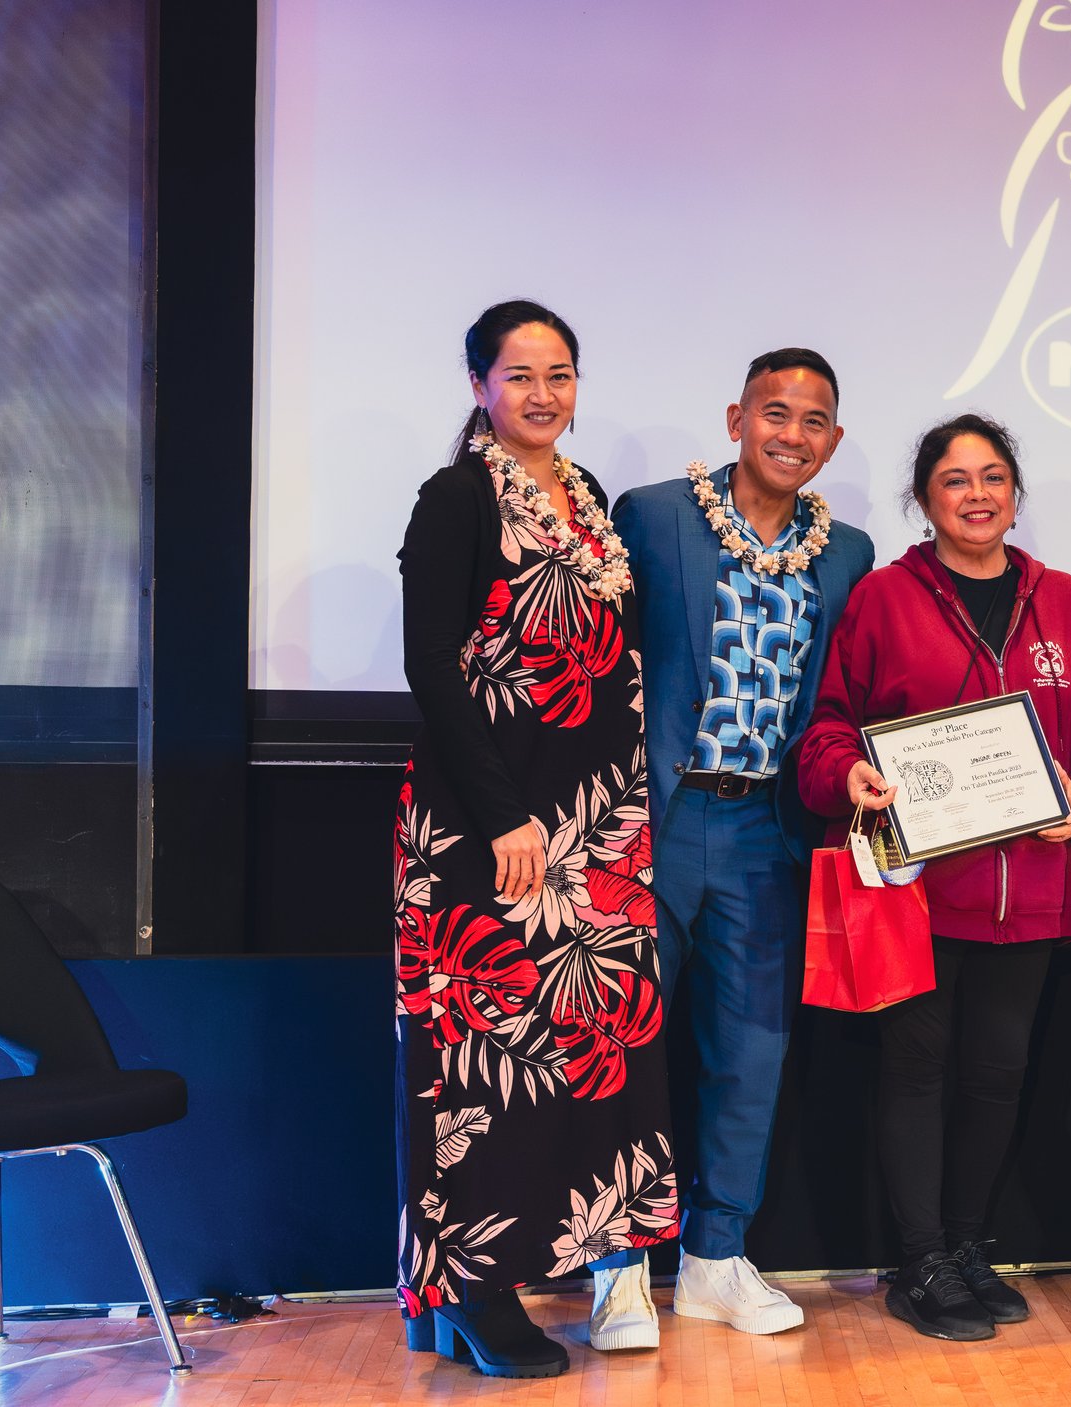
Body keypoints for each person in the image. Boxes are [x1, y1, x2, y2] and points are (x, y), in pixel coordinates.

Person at [393, 300, 677, 1378]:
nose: (543, 394)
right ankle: (472, 1291)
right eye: (520, 376)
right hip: (490, 827)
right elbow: (434, 667)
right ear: (479, 387)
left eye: (560, 374)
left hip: (594, 829)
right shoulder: (457, 497)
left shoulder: (587, 499)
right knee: (482, 1067)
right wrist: (505, 814)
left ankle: (515, 1281)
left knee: (578, 1064)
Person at [794, 413, 1071, 1341]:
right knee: (917, 1067)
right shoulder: (883, 598)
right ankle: (922, 1259)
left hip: (1031, 887)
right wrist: (846, 775)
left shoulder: (1063, 599)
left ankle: (970, 1245)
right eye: (954, 480)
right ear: (924, 498)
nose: (977, 495)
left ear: (1016, 492)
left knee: (998, 1073)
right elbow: (827, 729)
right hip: (918, 889)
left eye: (993, 477)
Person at [612, 348, 877, 1338]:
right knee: (624, 1045)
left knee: (752, 1054)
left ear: (834, 441)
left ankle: (717, 1257)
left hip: (766, 828)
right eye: (775, 413)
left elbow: (837, 699)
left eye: (813, 422)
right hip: (659, 823)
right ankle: (618, 1268)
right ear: (736, 416)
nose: (791, 435)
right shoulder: (652, 514)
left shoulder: (847, 551)